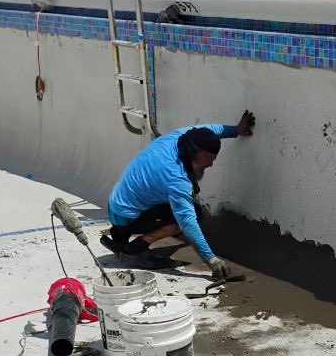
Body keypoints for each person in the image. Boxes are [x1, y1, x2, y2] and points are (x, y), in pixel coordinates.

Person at [100, 110, 256, 275]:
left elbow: (212, 129)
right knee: (188, 216)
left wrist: (236, 130)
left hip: (117, 205)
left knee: (179, 206)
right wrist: (211, 259)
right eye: (209, 157)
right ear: (195, 152)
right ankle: (136, 249)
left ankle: (119, 236)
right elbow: (187, 222)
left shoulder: (181, 137)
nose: (212, 163)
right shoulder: (175, 178)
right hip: (125, 217)